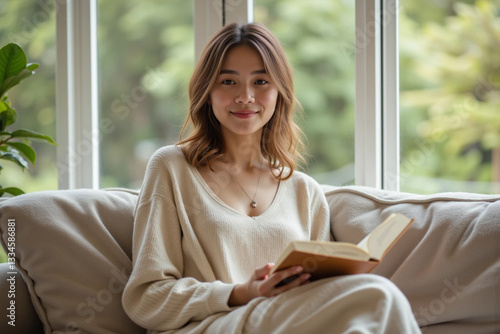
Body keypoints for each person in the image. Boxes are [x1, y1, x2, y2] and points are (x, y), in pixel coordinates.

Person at [122, 22, 421, 334]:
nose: (246, 96)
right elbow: (145, 299)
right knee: (379, 295)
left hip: (290, 324)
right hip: (215, 326)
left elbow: (323, 297)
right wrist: (240, 293)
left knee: (367, 311)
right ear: (207, 91)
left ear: (280, 92)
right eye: (228, 81)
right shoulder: (172, 168)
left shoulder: (305, 192)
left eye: (261, 81)